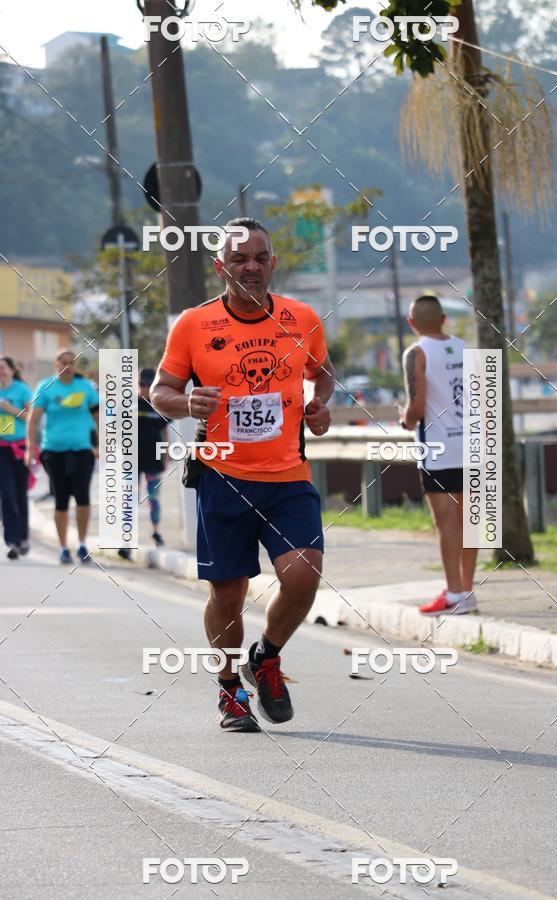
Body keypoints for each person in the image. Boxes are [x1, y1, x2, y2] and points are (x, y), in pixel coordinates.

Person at [151, 217, 334, 732]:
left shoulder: (302, 318)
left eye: (259, 258)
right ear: (220, 267)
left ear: (272, 263)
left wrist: (320, 404)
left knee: (303, 575)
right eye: (239, 259)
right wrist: (186, 402)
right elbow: (160, 391)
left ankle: (266, 657)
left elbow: (323, 372)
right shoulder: (193, 324)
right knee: (228, 594)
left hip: (288, 477)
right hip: (222, 477)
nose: (250, 267)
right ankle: (230, 688)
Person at [399, 295, 478, 615]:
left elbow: (416, 408)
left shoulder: (415, 353)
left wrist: (404, 420)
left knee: (446, 523)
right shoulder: (466, 348)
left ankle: (454, 594)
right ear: (444, 320)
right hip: (472, 445)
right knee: (469, 522)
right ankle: (467, 591)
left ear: (411, 323)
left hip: (438, 449)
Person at [27, 349, 99, 565]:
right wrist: (30, 448)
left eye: (71, 363)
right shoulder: (45, 386)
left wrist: (101, 444)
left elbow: (98, 417)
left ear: (75, 366)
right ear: (55, 365)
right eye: (63, 362)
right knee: (61, 498)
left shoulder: (85, 387)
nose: (68, 366)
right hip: (53, 451)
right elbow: (33, 419)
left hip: (82, 450)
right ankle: (64, 547)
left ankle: (83, 544)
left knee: (82, 495)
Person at [119, 368, 171, 560]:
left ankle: (156, 533)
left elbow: (165, 431)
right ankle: (126, 541)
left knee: (154, 499)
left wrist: (165, 454)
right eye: (142, 384)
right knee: (129, 499)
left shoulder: (159, 405)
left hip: (153, 461)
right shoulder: (128, 404)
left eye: (149, 384)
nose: (145, 388)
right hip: (131, 461)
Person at [0, 357, 32, 559]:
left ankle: (23, 538)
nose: (0, 371)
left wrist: (11, 409)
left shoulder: (22, 390)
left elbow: (32, 417)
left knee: (20, 494)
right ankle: (12, 541)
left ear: (12, 370)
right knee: (7, 494)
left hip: (20, 447)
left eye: (3, 368)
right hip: (1, 449)